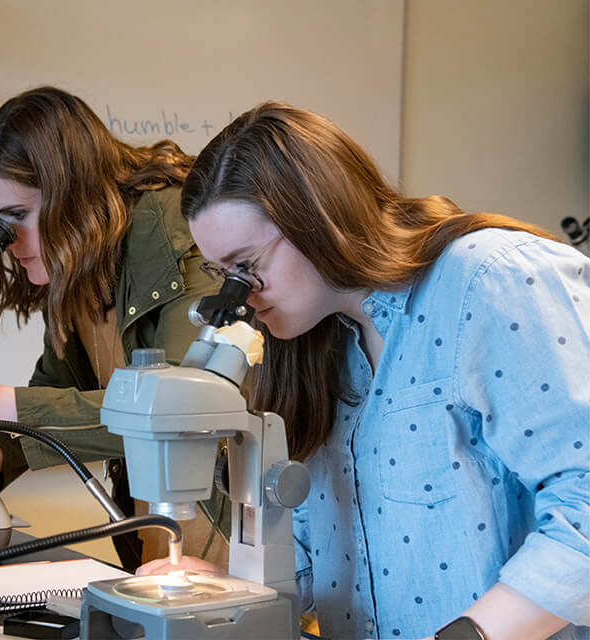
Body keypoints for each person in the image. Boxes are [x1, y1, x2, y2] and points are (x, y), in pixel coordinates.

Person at [138, 102, 590, 640]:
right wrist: (229, 591)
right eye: (222, 272)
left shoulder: (490, 279)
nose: (239, 295)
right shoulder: (316, 343)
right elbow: (323, 552)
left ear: (317, 219)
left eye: (248, 266)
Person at [0, 86, 222, 571]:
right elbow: (61, 390)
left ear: (75, 194)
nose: (6, 242)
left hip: (234, 535)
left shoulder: (176, 231)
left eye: (18, 216)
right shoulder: (82, 262)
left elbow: (188, 407)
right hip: (159, 546)